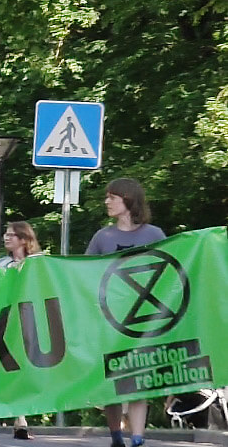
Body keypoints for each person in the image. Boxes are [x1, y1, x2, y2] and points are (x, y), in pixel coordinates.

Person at [86, 178, 165, 447]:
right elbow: (83, 273)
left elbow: (168, 271)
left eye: (112, 197)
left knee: (139, 379)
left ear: (128, 199)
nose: (106, 202)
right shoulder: (103, 237)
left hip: (144, 318)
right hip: (110, 319)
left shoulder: (154, 235)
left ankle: (138, 438)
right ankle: (116, 436)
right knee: (113, 382)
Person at [0, 221, 42, 440]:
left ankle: (22, 417)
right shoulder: (1, 264)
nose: (6, 237)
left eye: (12, 234)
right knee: (11, 367)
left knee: (27, 368)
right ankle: (19, 418)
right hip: (6, 321)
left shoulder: (38, 263)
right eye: (6, 233)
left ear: (24, 239)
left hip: (31, 320)